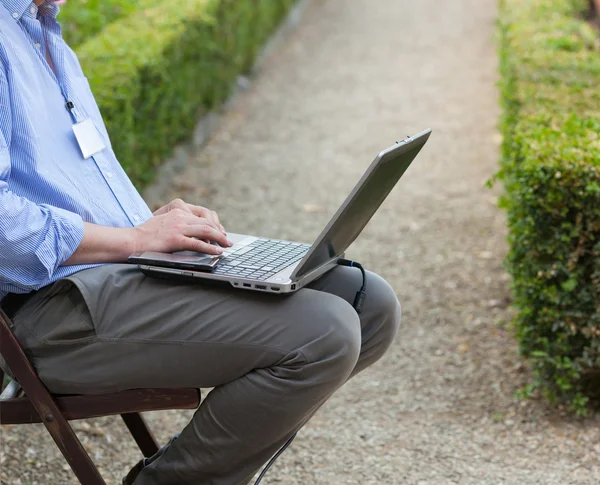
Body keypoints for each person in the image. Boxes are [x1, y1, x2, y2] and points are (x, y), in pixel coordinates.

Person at [0, 1, 402, 483]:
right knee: (326, 332)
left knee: (369, 304)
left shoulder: (46, 35)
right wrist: (133, 238)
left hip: (119, 275)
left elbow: (62, 186)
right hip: (53, 315)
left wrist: (150, 225)